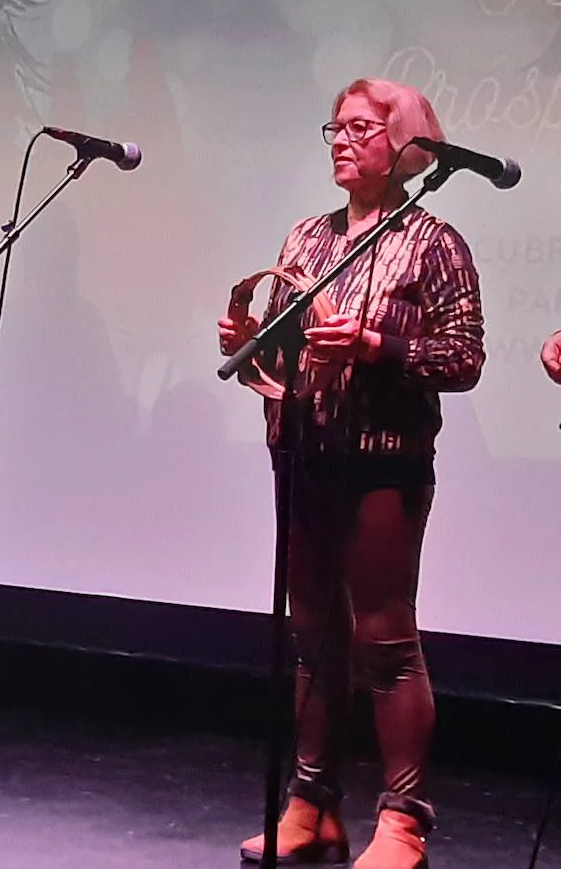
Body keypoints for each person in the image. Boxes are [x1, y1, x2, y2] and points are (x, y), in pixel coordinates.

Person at [218, 78, 484, 869]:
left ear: (406, 145)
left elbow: (464, 359)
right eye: (334, 126)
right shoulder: (307, 237)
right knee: (313, 638)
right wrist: (250, 337)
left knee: (386, 641)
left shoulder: (436, 242)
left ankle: (403, 821)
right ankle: (311, 805)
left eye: (360, 127)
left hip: (385, 464)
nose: (340, 138)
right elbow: (281, 346)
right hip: (303, 449)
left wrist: (375, 346)